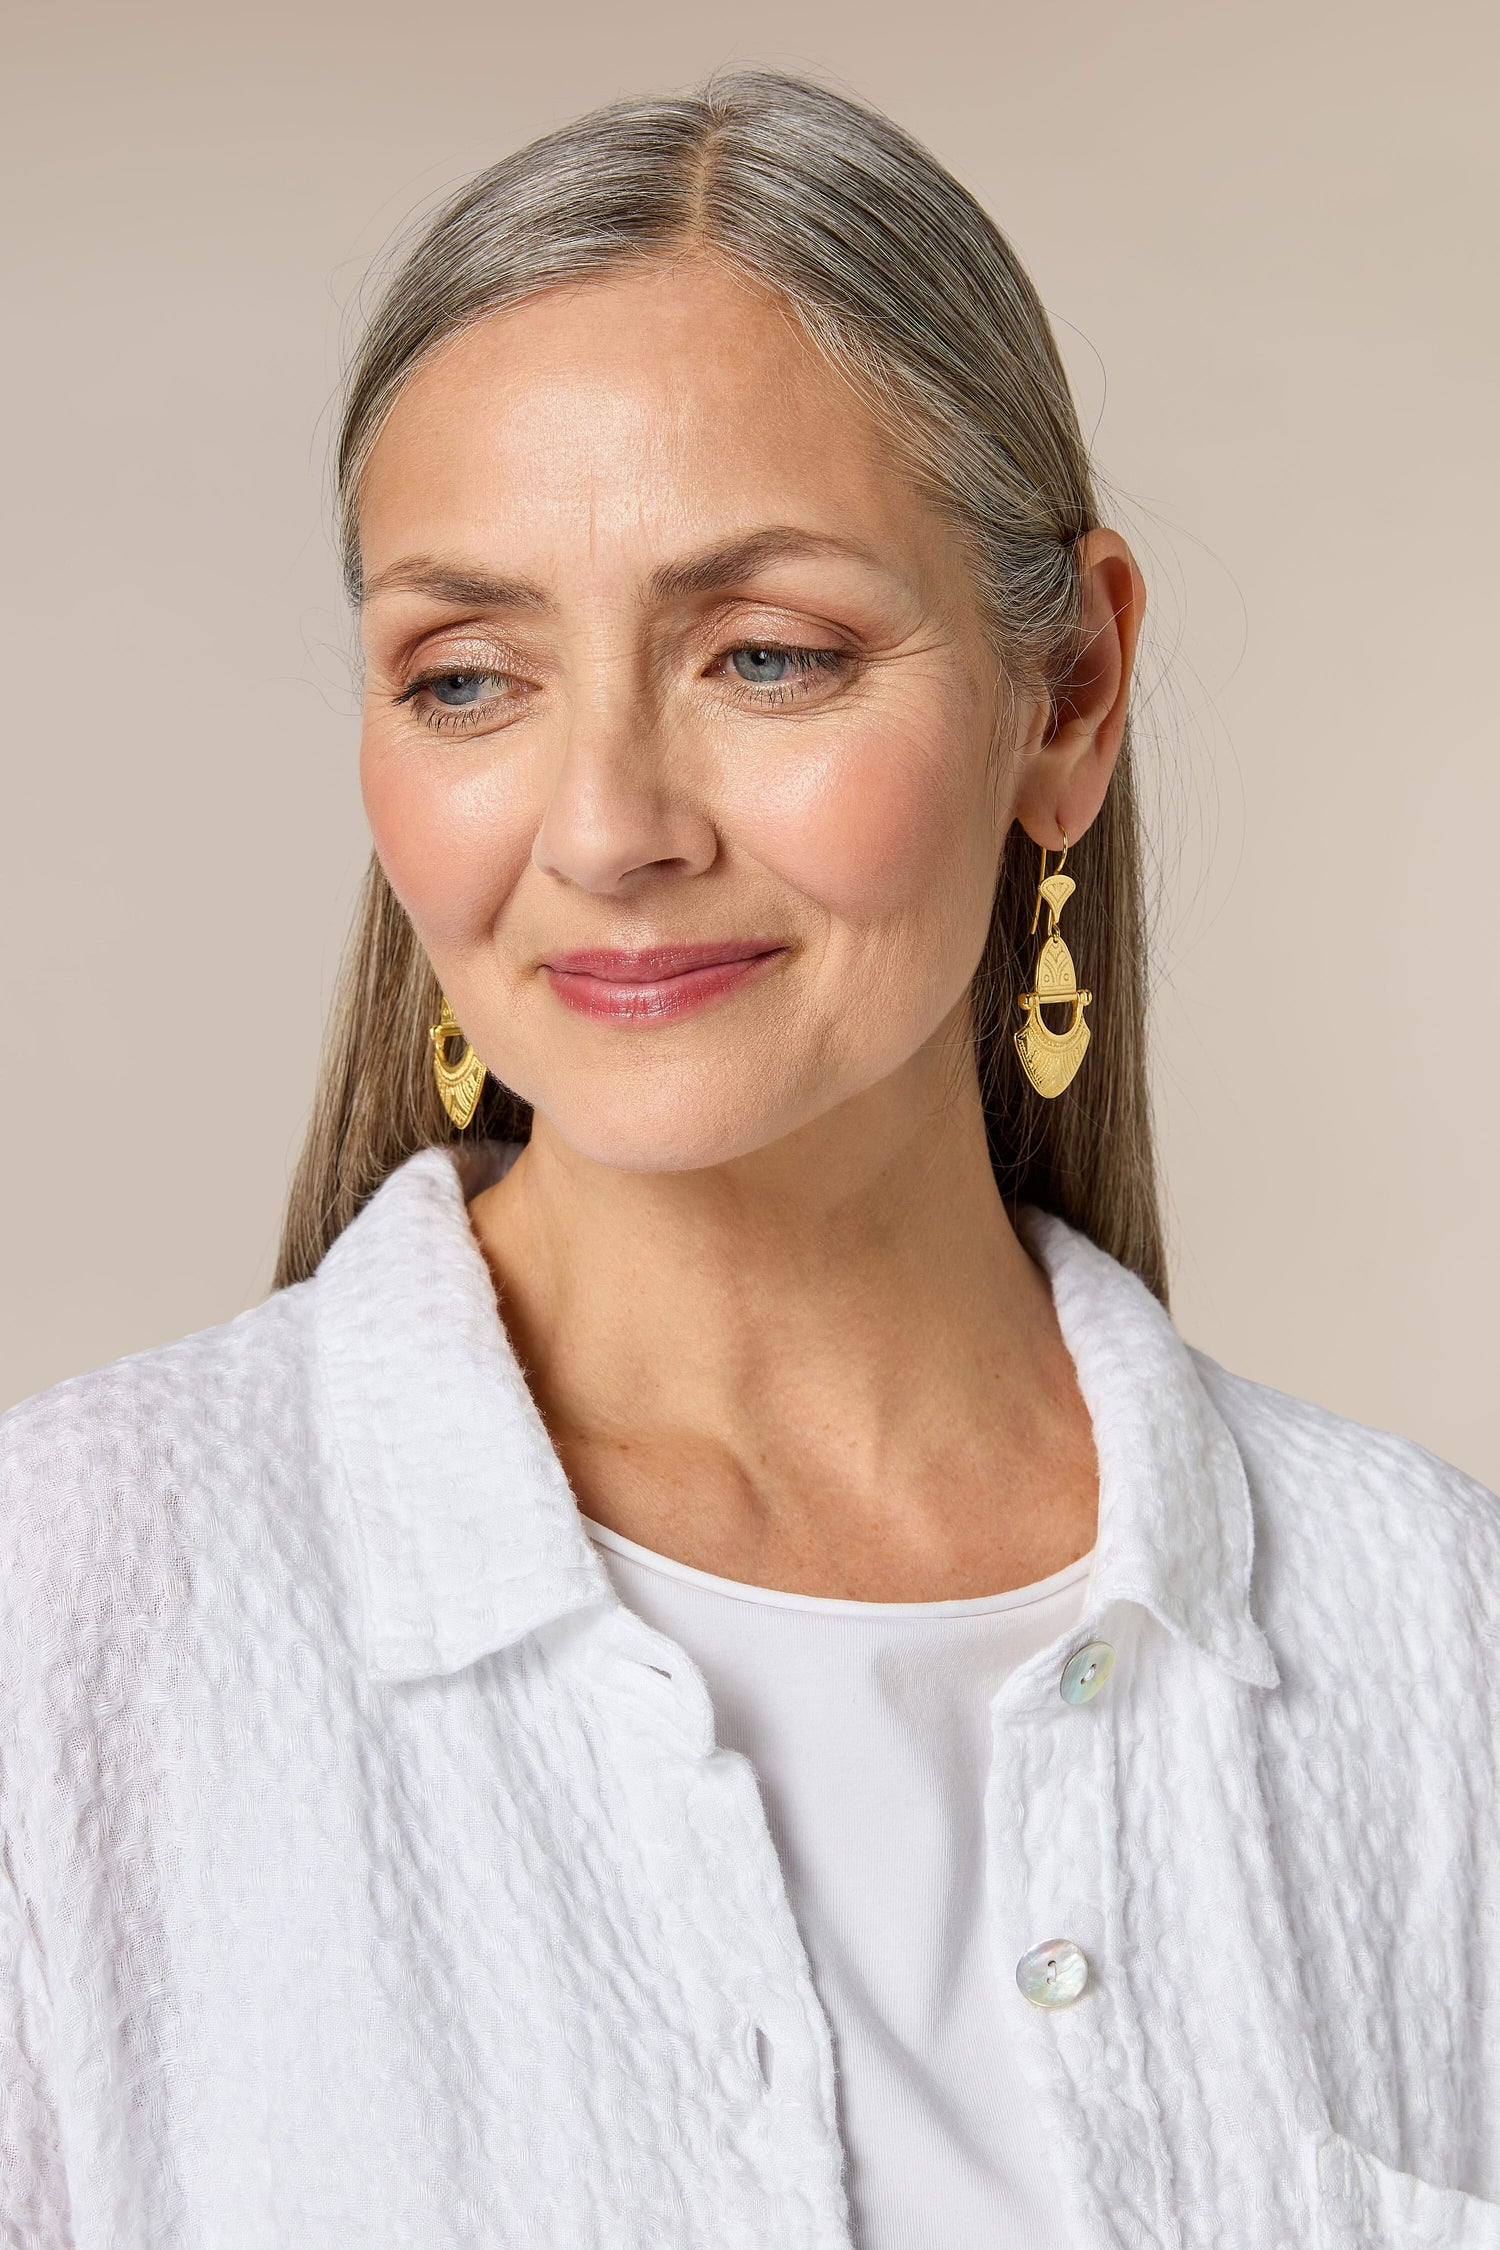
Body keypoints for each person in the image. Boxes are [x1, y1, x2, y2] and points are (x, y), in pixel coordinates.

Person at [1, 70, 1496, 2250]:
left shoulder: (1436, 1646)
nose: (608, 825)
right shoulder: (62, 1629)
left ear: (1066, 693)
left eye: (766, 656)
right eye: (467, 678)